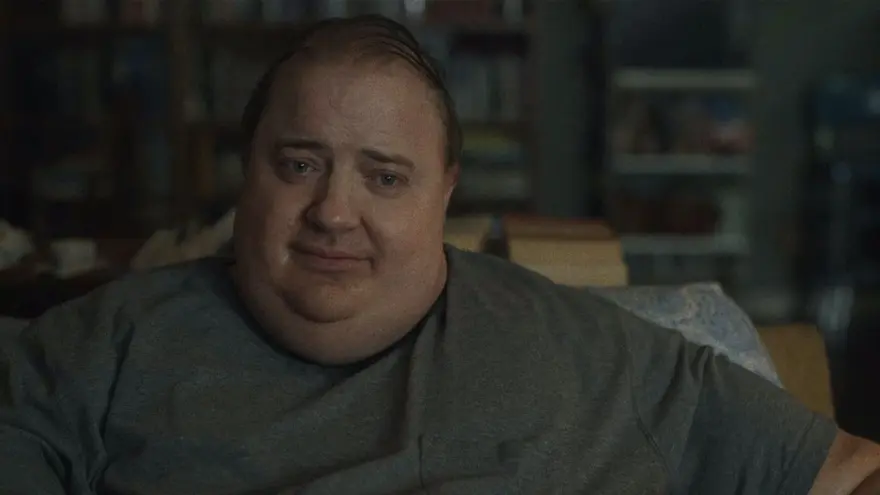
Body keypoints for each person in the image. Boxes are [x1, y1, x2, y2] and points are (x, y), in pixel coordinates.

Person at [1, 16, 878, 495]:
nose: (333, 212)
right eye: (299, 164)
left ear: (444, 194)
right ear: (248, 172)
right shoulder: (100, 347)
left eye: (384, 177)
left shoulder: (598, 353)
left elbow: (851, 471)